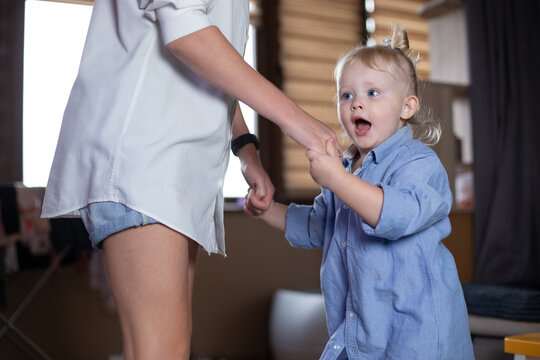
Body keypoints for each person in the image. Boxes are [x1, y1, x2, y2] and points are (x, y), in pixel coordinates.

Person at [41, 1, 339, 359]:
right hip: (145, 163)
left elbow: (209, 64)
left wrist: (246, 152)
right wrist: (298, 123)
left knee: (168, 349)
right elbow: (185, 32)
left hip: (171, 171)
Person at [250, 23, 474, 360]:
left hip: (417, 333)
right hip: (360, 328)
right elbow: (319, 224)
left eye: (373, 93)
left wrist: (336, 180)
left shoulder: (419, 163)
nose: (356, 104)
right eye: (347, 95)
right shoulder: (346, 167)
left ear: (407, 107)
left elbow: (394, 214)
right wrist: (268, 211)